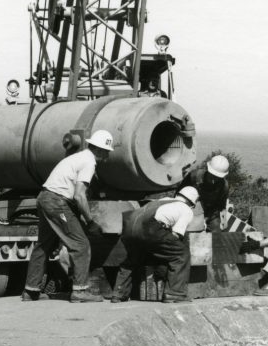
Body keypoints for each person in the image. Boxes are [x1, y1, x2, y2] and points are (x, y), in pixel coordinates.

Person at [23, 130, 114, 303]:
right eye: (107, 151)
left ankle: (30, 291)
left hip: (44, 198)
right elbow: (79, 195)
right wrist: (90, 221)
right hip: (57, 202)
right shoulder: (89, 162)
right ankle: (80, 291)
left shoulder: (77, 157)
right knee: (80, 244)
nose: (107, 155)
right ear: (100, 150)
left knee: (44, 245)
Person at [111, 186, 199, 303]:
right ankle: (175, 293)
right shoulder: (186, 209)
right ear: (192, 203)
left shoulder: (163, 200)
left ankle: (118, 293)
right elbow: (176, 235)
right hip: (149, 228)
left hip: (129, 227)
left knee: (132, 259)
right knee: (181, 255)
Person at [180, 155, 230, 232]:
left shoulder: (224, 186)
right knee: (189, 230)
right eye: (212, 175)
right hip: (191, 207)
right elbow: (180, 193)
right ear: (207, 169)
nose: (214, 179)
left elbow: (221, 206)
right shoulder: (194, 176)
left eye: (217, 177)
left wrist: (221, 221)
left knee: (216, 232)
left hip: (211, 212)